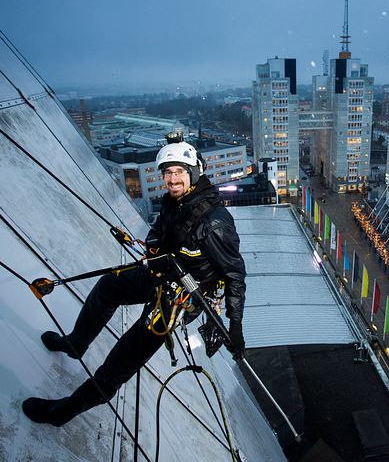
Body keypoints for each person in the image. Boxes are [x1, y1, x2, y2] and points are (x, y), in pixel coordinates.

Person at [22, 138, 246, 426]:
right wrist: (154, 239)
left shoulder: (215, 223)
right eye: (168, 172)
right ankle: (77, 343)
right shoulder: (177, 202)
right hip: (161, 274)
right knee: (109, 286)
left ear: (194, 173)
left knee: (118, 363)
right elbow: (163, 227)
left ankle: (61, 414)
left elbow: (235, 275)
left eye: (179, 171)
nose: (173, 179)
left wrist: (235, 326)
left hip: (178, 299)